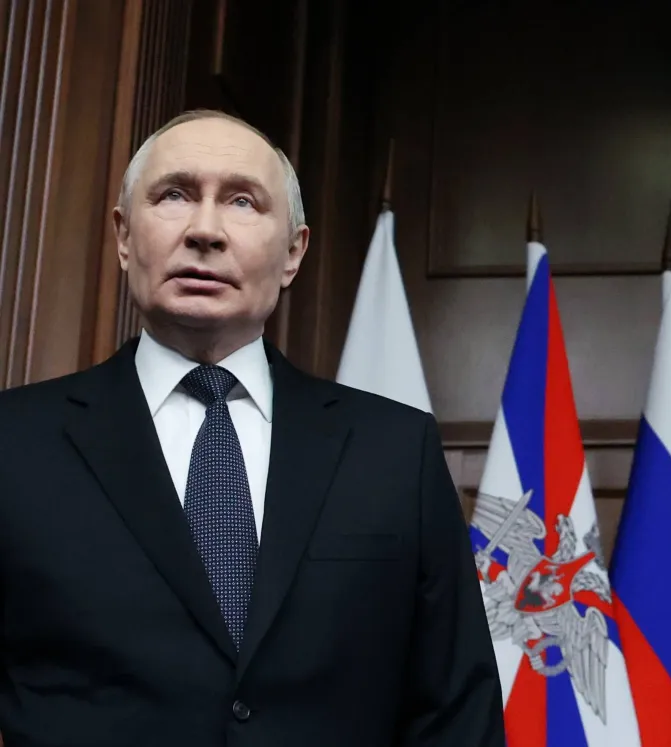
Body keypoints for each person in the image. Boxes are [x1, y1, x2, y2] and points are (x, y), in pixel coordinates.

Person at [0, 110, 504, 746]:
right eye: (175, 195)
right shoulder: (14, 442)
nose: (204, 230)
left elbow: (456, 711)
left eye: (242, 201)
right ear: (124, 236)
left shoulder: (396, 450)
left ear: (293, 253)